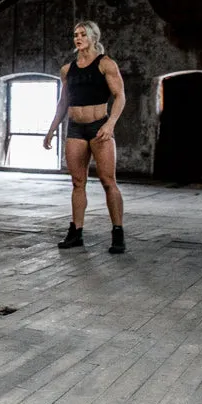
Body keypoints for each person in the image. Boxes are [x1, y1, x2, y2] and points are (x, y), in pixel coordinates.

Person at [43, 20, 127, 254]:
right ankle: (76, 232)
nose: (77, 38)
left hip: (100, 127)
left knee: (108, 181)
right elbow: (63, 102)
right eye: (75, 35)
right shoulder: (67, 70)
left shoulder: (105, 64)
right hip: (76, 129)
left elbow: (120, 97)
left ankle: (118, 232)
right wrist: (51, 129)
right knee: (77, 182)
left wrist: (110, 124)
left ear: (93, 38)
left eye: (82, 34)